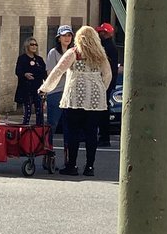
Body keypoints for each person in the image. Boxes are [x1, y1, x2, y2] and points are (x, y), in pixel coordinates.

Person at [38, 25, 112, 177]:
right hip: (95, 99)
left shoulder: (73, 53)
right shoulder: (100, 55)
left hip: (75, 98)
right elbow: (108, 74)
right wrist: (100, 89)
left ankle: (72, 165)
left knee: (73, 132)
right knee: (91, 133)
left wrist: (45, 88)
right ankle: (90, 167)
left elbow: (58, 70)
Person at [45, 25, 74, 150]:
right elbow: (51, 73)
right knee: (52, 125)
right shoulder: (53, 53)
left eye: (69, 35)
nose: (67, 38)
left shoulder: (74, 52)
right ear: (59, 38)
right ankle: (48, 152)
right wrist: (66, 72)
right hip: (56, 92)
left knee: (69, 127)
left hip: (71, 92)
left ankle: (69, 159)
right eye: (64, 35)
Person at [97, 22, 121, 147]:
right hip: (108, 82)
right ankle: (103, 136)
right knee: (102, 110)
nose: (99, 33)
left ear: (106, 33)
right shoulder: (110, 46)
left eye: (101, 32)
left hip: (105, 82)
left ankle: (104, 137)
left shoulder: (107, 47)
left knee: (102, 110)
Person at [13, 36, 47, 125]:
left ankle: (39, 132)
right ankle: (25, 132)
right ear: (27, 46)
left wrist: (46, 87)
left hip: (37, 88)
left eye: (36, 45)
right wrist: (25, 74)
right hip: (26, 88)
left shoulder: (39, 60)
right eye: (32, 44)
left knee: (39, 112)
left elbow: (44, 74)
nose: (34, 46)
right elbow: (18, 71)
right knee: (27, 112)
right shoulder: (22, 58)